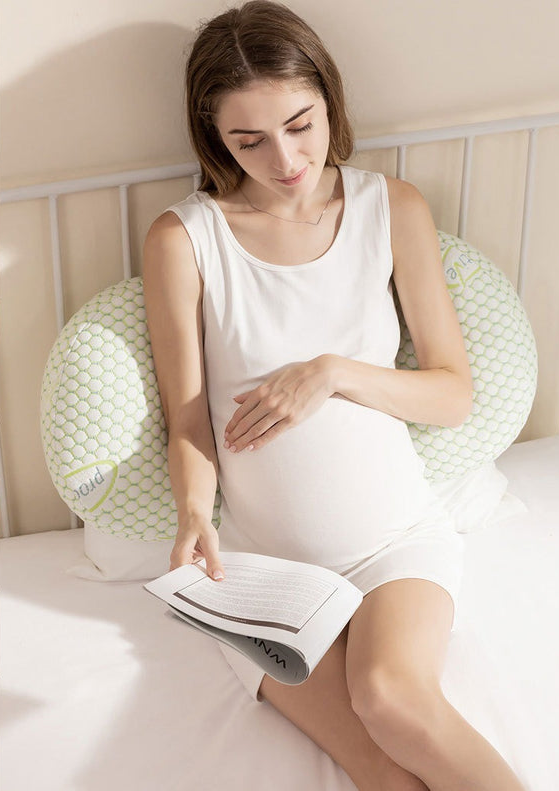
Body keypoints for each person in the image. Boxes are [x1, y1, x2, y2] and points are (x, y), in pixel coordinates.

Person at [142, 2, 526, 790]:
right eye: (248, 139)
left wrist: (334, 371)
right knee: (380, 771)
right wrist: (189, 517)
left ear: (330, 99)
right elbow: (188, 419)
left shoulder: (393, 208)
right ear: (214, 136)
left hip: (395, 543)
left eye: (300, 123)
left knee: (392, 697)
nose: (284, 158)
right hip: (262, 573)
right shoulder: (185, 238)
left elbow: (453, 395)